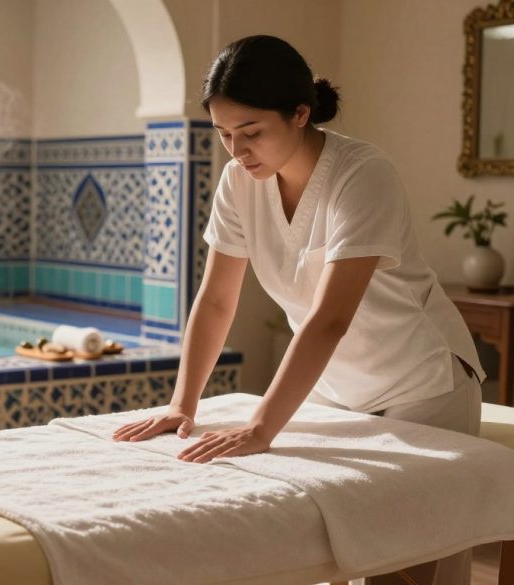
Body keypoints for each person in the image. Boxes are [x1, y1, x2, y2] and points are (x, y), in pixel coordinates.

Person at [112, 35, 484, 585]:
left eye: (252, 133)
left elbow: (330, 319)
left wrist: (262, 425)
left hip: (421, 385)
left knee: (400, 567)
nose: (236, 151)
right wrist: (182, 403)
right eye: (223, 135)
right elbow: (217, 298)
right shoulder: (239, 182)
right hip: (337, 391)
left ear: (300, 114)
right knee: (334, 549)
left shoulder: (362, 174)